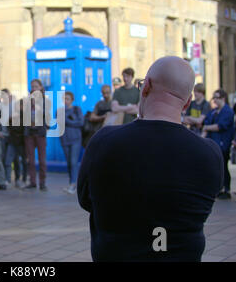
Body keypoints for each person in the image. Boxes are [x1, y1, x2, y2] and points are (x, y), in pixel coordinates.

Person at [77, 56, 224, 262]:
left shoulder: (104, 142)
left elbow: (85, 199)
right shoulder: (210, 153)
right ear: (187, 102)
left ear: (145, 87)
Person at [202, 89, 235, 200]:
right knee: (217, 168)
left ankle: (227, 189)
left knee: (223, 166)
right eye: (214, 97)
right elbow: (206, 122)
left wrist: (207, 128)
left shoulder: (228, 111)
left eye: (216, 97)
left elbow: (220, 126)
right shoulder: (214, 111)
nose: (214, 100)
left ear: (223, 98)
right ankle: (220, 188)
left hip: (223, 143)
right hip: (214, 142)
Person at [23, 79, 51, 191]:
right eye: (32, 86)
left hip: (40, 133)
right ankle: (32, 182)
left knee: (42, 160)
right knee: (30, 159)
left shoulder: (45, 101)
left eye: (36, 86)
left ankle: (42, 182)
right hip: (29, 133)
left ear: (40, 87)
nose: (33, 88)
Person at [56, 91, 83, 195]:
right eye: (64, 99)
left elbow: (80, 122)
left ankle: (73, 184)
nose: (66, 101)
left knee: (73, 162)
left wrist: (67, 121)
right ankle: (71, 183)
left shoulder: (77, 109)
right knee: (69, 163)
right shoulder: (59, 111)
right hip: (65, 139)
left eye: (68, 99)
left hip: (76, 139)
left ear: (72, 100)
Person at [5, 98, 27, 189]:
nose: (20, 107)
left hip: (22, 142)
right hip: (13, 141)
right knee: (9, 161)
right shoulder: (14, 116)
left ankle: (22, 179)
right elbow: (8, 125)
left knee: (23, 161)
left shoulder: (26, 116)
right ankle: (8, 179)